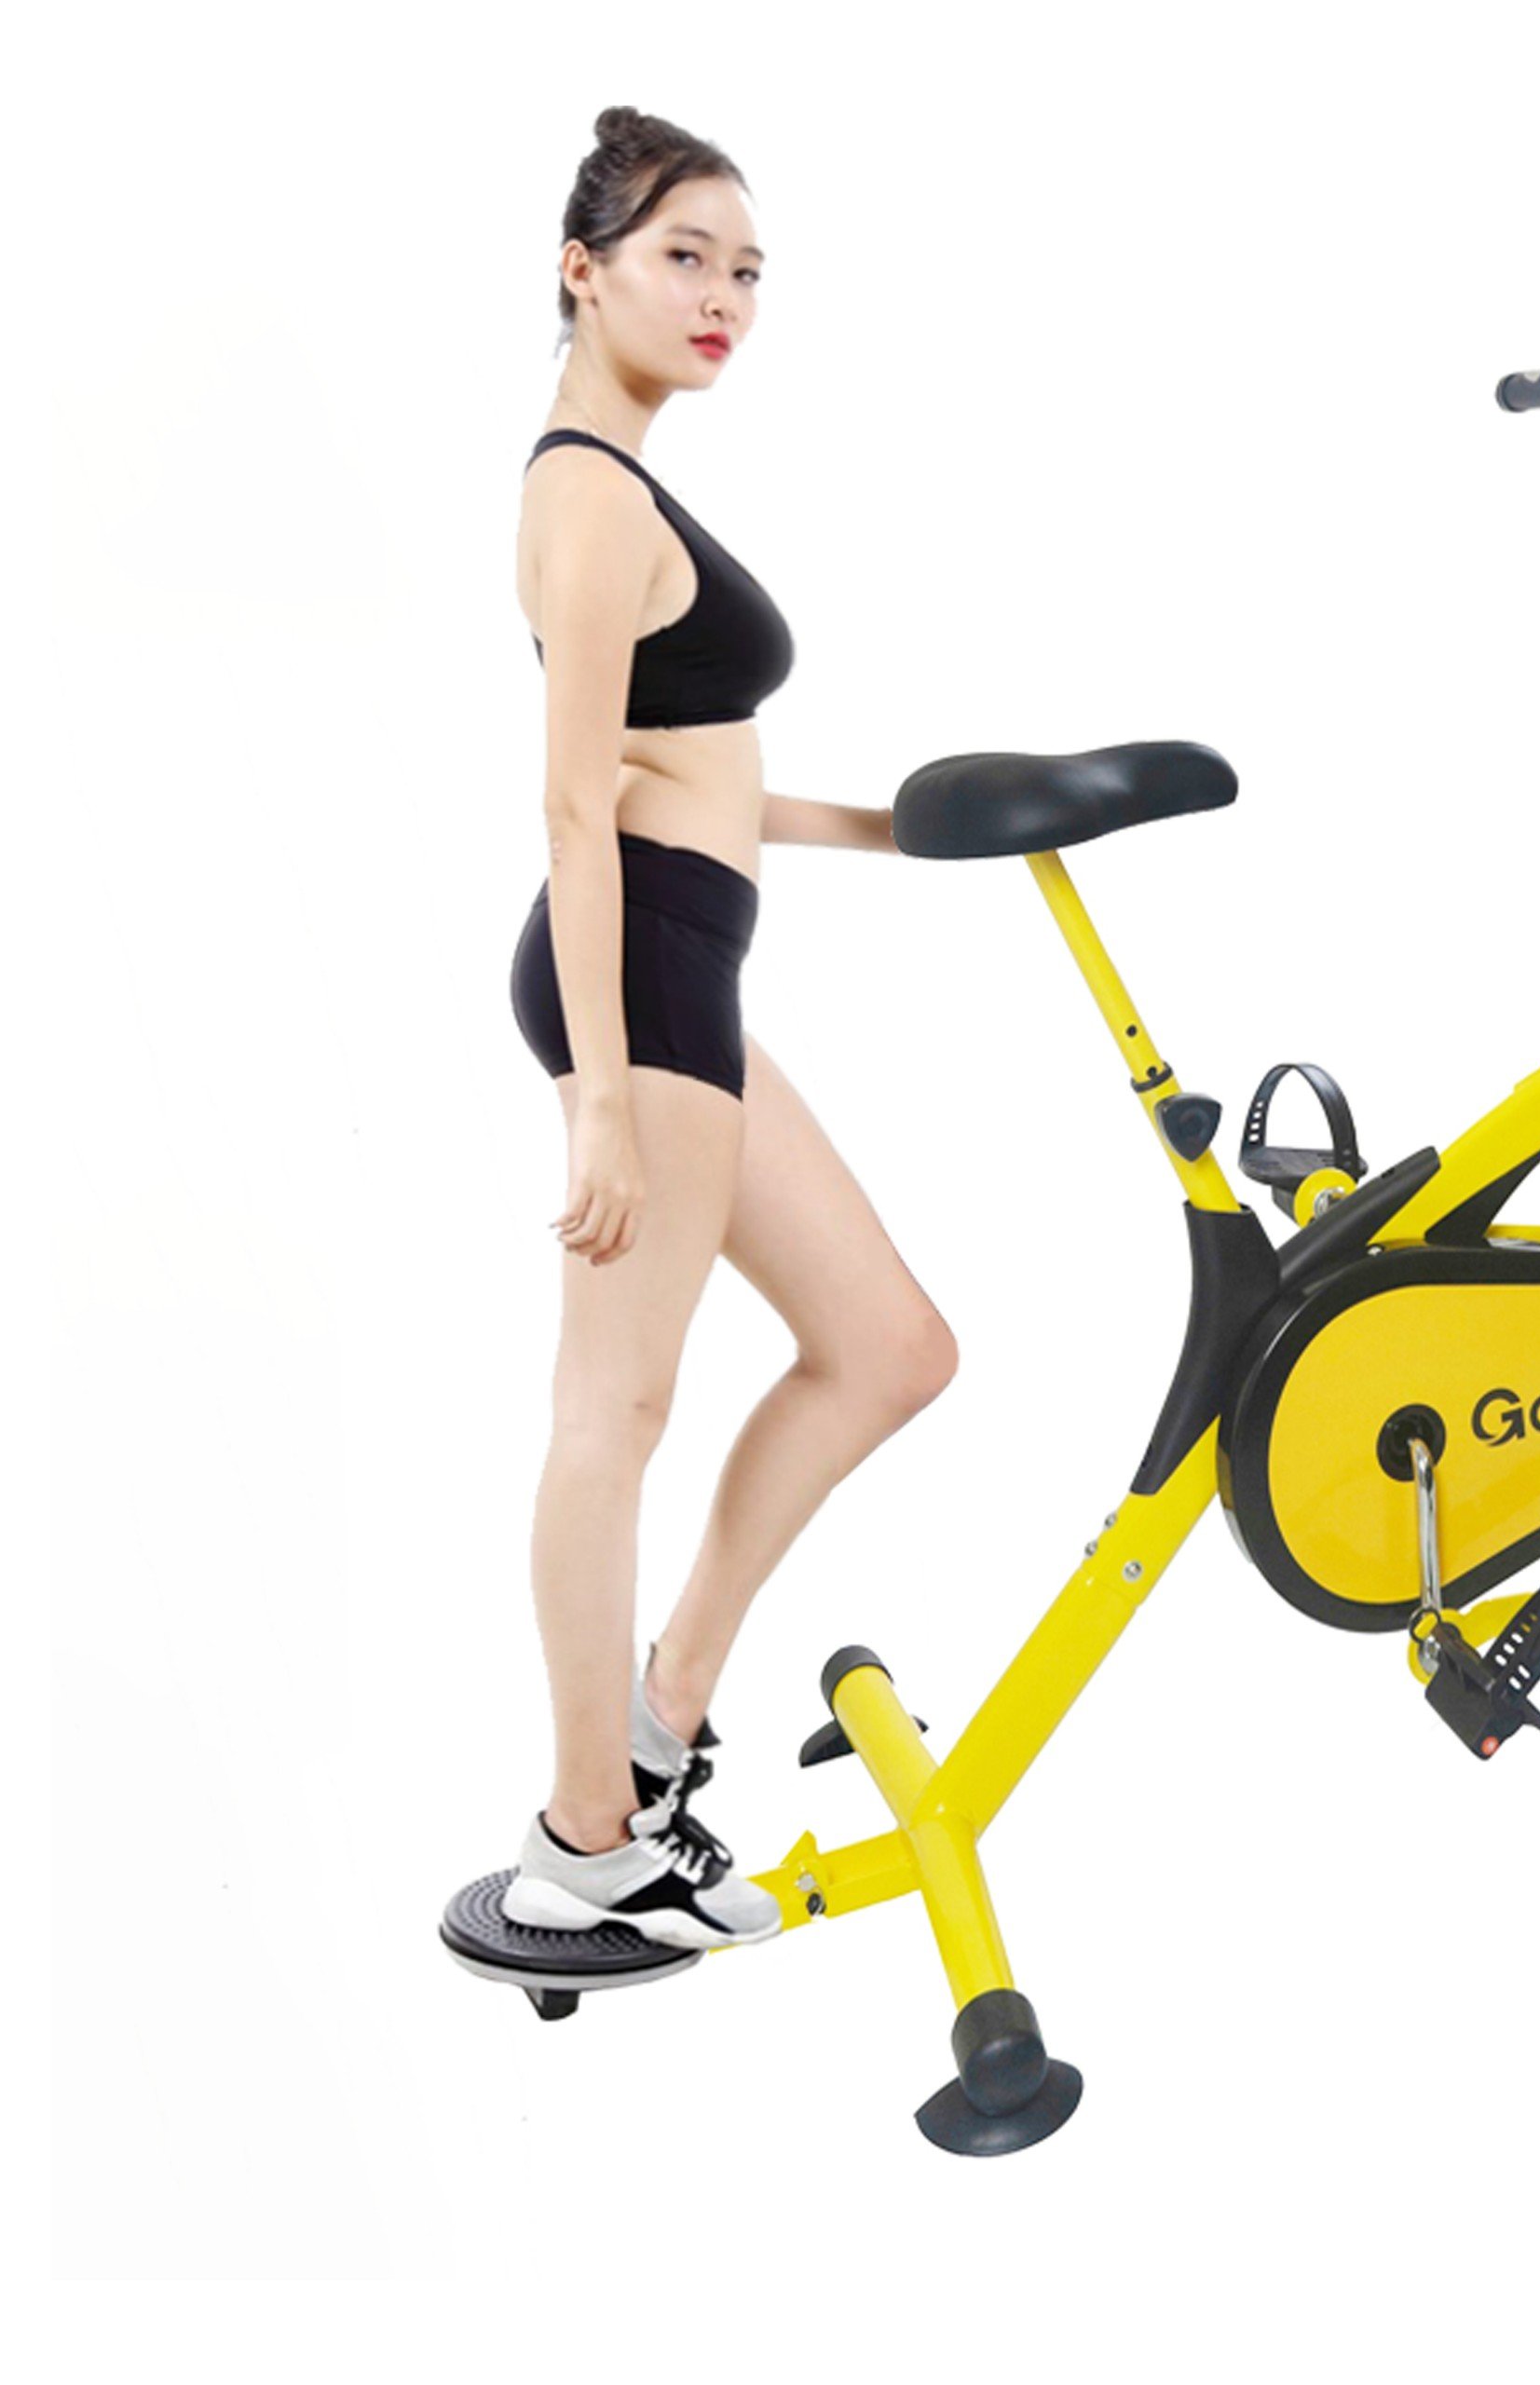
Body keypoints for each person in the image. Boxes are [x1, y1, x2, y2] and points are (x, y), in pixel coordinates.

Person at [498, 105, 957, 1950]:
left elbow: (686, 769)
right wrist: (602, 1103)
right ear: (581, 269)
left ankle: (662, 1706)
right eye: (684, 256)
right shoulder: (589, 496)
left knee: (890, 1344)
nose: (723, 299)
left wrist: (891, 828)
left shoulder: (620, 483)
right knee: (612, 1408)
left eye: (748, 270)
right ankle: (586, 1836)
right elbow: (570, 805)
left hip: (680, 951)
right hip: (638, 973)